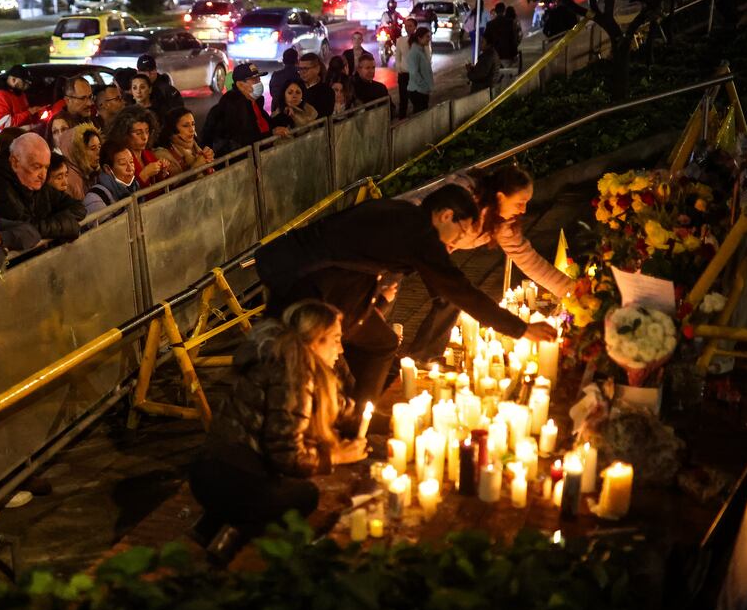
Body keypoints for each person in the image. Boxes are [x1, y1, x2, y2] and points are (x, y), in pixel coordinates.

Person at [253, 184, 556, 407]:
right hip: (309, 286)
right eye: (460, 232)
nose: (458, 242)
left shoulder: (405, 217)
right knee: (294, 365)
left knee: (382, 344)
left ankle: (360, 414)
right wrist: (521, 329)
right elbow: (458, 288)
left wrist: (378, 292)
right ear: (446, 215)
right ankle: (319, 422)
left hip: (333, 282)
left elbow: (362, 250)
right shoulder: (419, 233)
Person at [189, 300, 370, 548]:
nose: (340, 348)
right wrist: (336, 456)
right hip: (229, 479)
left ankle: (211, 527)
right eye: (336, 339)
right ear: (315, 340)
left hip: (211, 470)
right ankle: (236, 547)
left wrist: (392, 419)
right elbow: (287, 456)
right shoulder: (293, 376)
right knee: (305, 495)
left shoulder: (292, 362)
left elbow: (340, 409)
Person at [406, 165, 574, 362]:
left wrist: (570, 291)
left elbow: (527, 257)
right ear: (501, 197)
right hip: (406, 236)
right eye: (520, 202)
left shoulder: (502, 221)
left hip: (431, 252)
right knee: (388, 299)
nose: (524, 210)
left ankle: (423, 356)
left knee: (450, 297)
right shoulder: (464, 197)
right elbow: (426, 203)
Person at [0, 132, 87, 242]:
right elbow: (26, 228)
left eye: (46, 167)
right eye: (36, 167)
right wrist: (65, 225)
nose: (42, 175)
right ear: (15, 163)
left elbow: (78, 208)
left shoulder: (36, 183)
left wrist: (59, 223)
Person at [201, 63, 282, 157]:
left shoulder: (254, 102)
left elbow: (264, 125)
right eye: (254, 80)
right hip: (239, 163)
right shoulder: (233, 105)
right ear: (240, 84)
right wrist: (270, 134)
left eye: (259, 79)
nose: (259, 83)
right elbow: (242, 138)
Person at [106, 105, 171, 188]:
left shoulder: (148, 154)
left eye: (147, 131)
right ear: (125, 134)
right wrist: (145, 174)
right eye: (138, 133)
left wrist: (163, 173)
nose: (144, 137)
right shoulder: (119, 159)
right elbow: (123, 192)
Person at [0, 64, 43, 142]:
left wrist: (36, 114)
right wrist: (29, 112)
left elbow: (24, 117)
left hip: (20, 142)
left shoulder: (19, 95)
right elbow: (5, 125)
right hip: (5, 145)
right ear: (13, 80)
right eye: (25, 82)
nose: (27, 85)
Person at [83, 141, 140, 214]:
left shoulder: (135, 185)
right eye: (123, 164)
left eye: (131, 162)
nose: (130, 168)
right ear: (107, 169)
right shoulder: (95, 199)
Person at [153, 108, 214, 175]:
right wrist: (197, 166)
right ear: (173, 129)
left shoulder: (195, 146)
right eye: (185, 126)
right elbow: (176, 184)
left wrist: (208, 159)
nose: (192, 129)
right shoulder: (162, 155)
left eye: (193, 124)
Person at [45, 76, 94, 154]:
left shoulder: (93, 120)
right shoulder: (56, 123)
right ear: (68, 100)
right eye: (82, 98)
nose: (90, 103)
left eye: (90, 97)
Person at [63, 123, 102, 201]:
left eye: (99, 147)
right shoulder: (68, 181)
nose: (99, 152)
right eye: (93, 148)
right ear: (79, 152)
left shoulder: (94, 174)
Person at [393, 16, 419, 118]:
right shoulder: (400, 41)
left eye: (410, 26)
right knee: (403, 98)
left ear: (415, 27)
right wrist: (399, 69)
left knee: (416, 98)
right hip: (404, 74)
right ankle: (402, 117)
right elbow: (397, 57)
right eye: (406, 26)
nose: (408, 28)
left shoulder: (420, 40)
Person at [296, 52, 335, 118]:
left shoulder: (327, 92)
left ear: (317, 69)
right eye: (300, 69)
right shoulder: (295, 87)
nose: (302, 72)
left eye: (305, 69)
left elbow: (324, 116)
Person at [406, 27, 434, 114]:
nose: (429, 39)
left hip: (421, 90)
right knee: (420, 116)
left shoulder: (421, 51)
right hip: (417, 90)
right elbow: (414, 72)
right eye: (427, 37)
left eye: (429, 36)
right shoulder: (415, 52)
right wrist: (424, 86)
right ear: (419, 38)